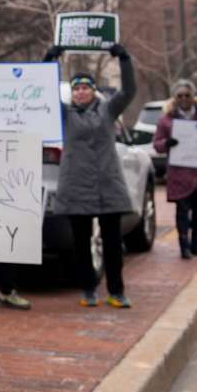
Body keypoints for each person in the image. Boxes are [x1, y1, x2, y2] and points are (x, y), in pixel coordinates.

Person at [43, 43, 137, 308]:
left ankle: (116, 291)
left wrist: (124, 58)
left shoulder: (108, 110)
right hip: (76, 186)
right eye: (76, 88)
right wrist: (49, 61)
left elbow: (129, 91)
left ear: (93, 91)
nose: (81, 92)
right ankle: (88, 290)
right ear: (72, 93)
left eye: (85, 87)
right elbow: (41, 91)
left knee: (112, 243)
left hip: (108, 184)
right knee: (81, 244)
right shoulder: (65, 113)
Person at [152, 79, 197, 259]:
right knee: (182, 211)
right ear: (174, 98)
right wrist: (168, 143)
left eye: (187, 95)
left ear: (193, 97)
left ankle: (196, 244)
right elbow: (157, 145)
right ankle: (184, 246)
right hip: (179, 174)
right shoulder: (166, 120)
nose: (184, 99)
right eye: (180, 96)